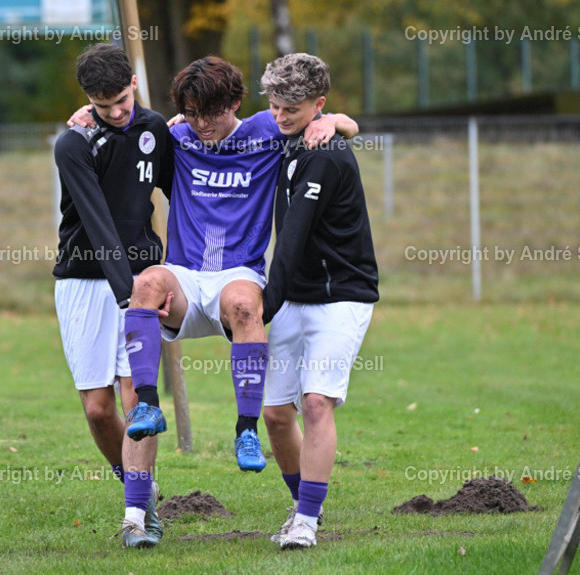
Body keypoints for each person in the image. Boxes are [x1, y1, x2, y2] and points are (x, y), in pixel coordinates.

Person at [103, 56, 359, 473]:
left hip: (239, 271)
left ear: (236, 103)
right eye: (192, 115)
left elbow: (331, 116)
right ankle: (148, 406)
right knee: (145, 285)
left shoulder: (268, 129)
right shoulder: (178, 135)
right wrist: (85, 115)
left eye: (212, 114)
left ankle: (245, 431)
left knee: (244, 305)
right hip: (186, 273)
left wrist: (337, 123)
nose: (202, 126)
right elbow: (118, 123)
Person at [53, 43, 173, 548]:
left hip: (141, 282)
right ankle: (138, 488)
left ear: (134, 85)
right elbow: (98, 224)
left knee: (136, 399)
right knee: (100, 410)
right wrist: (124, 293)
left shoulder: (157, 130)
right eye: (105, 107)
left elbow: (181, 196)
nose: (117, 113)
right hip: (83, 280)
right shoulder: (73, 144)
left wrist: (171, 276)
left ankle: (136, 518)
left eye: (122, 101)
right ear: (89, 101)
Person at [258, 53, 379, 549]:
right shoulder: (281, 137)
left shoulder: (326, 154)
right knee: (274, 413)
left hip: (341, 296)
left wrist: (259, 309)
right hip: (294, 295)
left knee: (314, 402)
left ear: (318, 105)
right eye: (274, 105)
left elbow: (291, 242)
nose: (281, 115)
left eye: (293, 107)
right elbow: (218, 131)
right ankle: (304, 505)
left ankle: (305, 522)